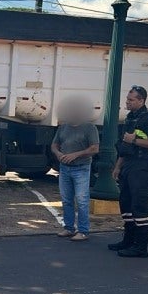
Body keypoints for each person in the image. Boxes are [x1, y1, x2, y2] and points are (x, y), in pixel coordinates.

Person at [108, 85, 148, 258]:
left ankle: (140, 247)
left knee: (140, 205)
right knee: (126, 204)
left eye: (131, 100)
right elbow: (125, 145)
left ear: (141, 100)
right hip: (129, 166)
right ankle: (128, 240)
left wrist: (136, 141)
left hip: (143, 167)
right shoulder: (131, 118)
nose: (127, 102)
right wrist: (118, 167)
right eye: (127, 99)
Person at [51, 97, 99, 241]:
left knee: (82, 200)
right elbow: (54, 145)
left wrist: (75, 155)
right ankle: (69, 228)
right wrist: (59, 154)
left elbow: (95, 148)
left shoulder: (89, 128)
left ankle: (83, 230)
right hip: (64, 168)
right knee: (66, 199)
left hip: (81, 168)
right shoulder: (63, 127)